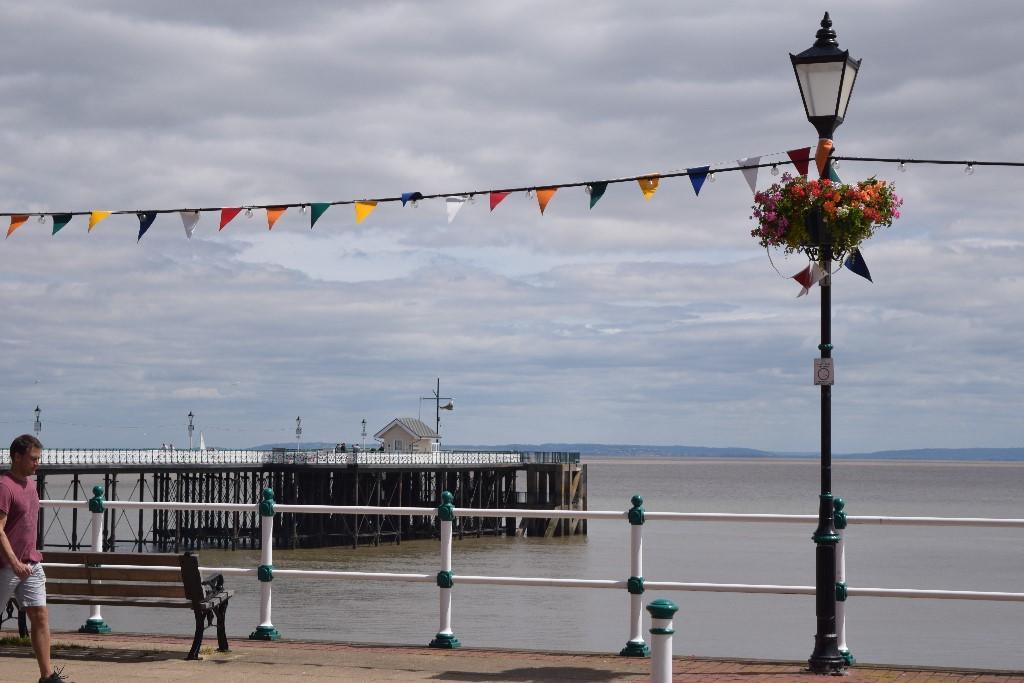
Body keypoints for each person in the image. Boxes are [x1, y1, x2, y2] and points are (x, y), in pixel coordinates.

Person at [1, 434, 70, 683]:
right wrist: (14, 563)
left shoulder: (31, 485)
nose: (37, 463)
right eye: (33, 459)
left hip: (31, 563)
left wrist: (26, 562)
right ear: (16, 457)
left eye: (38, 459)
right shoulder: (4, 486)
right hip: (6, 566)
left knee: (40, 615)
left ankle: (47, 676)